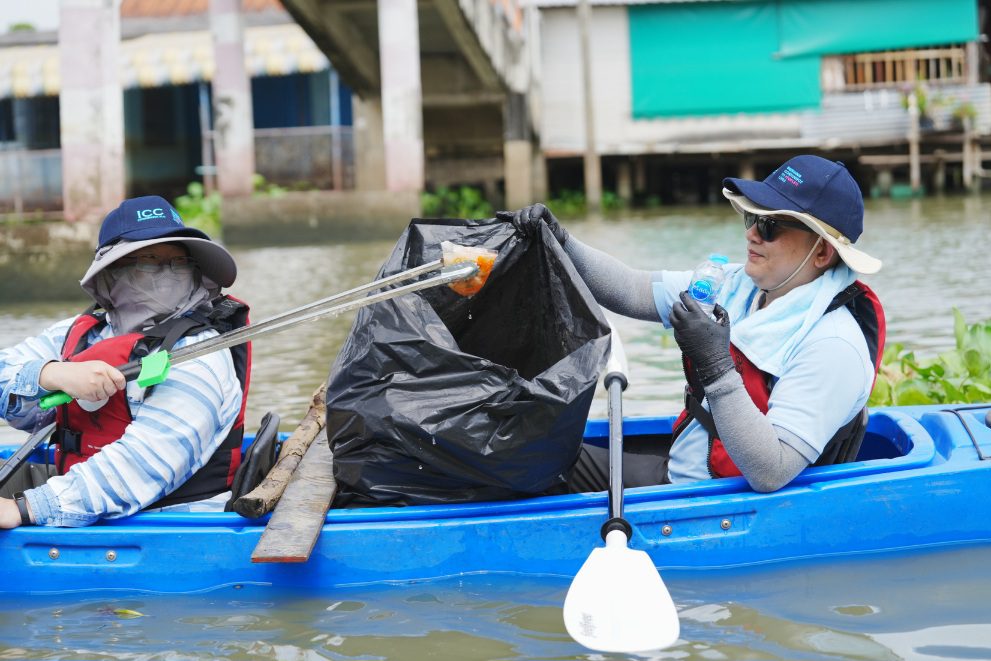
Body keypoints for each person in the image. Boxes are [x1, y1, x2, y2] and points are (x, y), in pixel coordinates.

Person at [498, 155, 885, 493]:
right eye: (752, 216)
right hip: (682, 475)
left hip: (717, 502)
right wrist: (560, 242)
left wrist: (716, 367)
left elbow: (772, 470)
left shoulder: (834, 345)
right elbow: (632, 290)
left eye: (770, 226)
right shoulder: (736, 285)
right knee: (529, 453)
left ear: (821, 253)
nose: (751, 234)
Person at [0, 196, 250, 528]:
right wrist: (51, 373)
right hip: (83, 515)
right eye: (149, 260)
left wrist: (25, 508)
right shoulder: (80, 334)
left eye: (179, 262)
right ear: (110, 274)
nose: (167, 273)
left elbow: (145, 462)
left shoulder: (200, 354)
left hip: (168, 533)